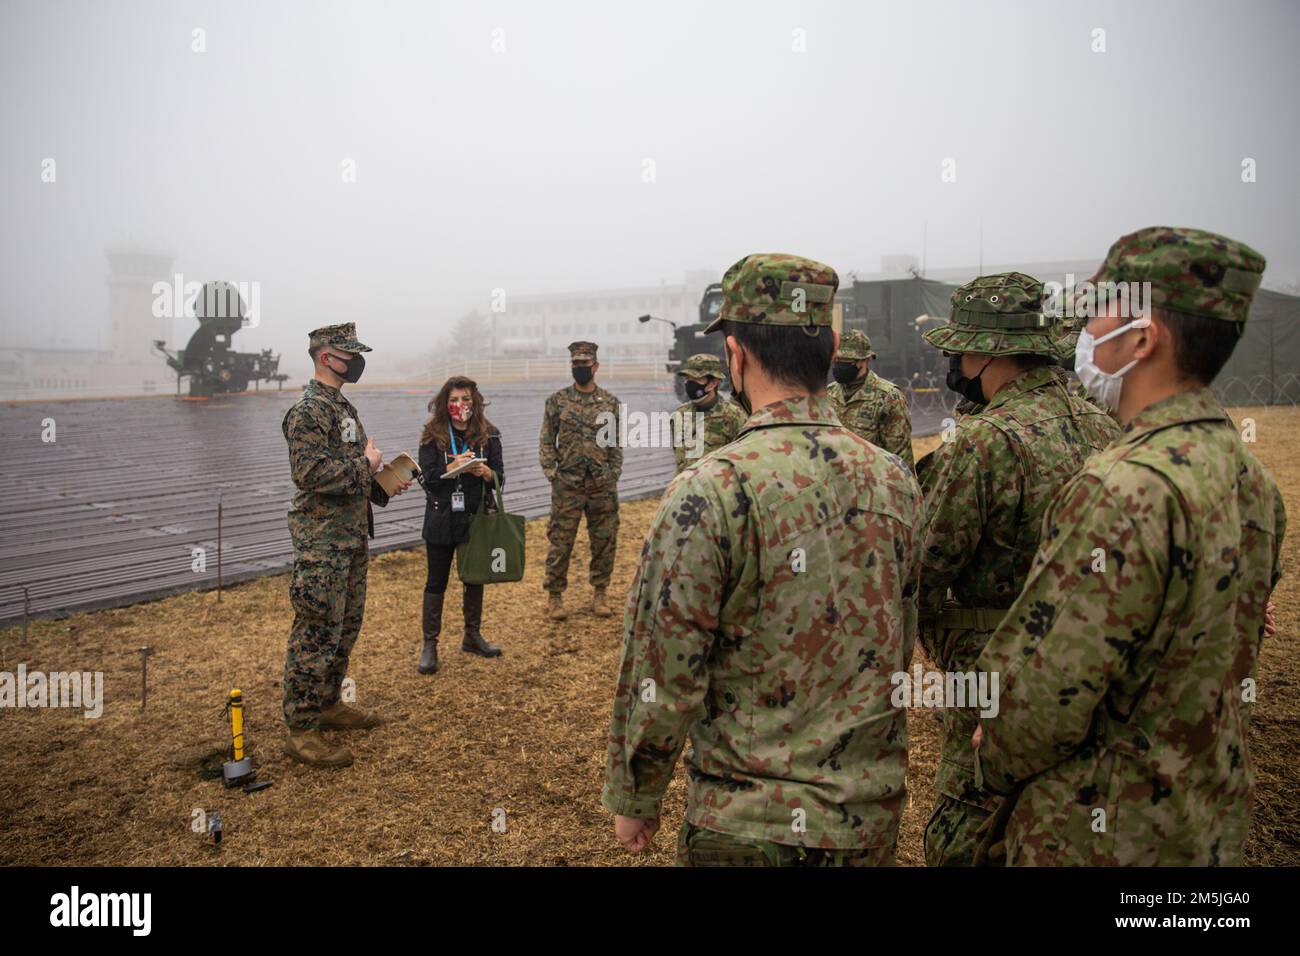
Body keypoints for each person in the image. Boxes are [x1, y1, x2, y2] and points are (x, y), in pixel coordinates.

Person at [973, 227, 1286, 866]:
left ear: (1143, 337)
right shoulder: (1250, 478)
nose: (1084, 333)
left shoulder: (1122, 487)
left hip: (1102, 832)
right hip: (1200, 822)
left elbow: (1042, 700)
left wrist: (990, 741)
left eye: (1097, 314)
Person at [602, 253, 923, 866]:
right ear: (831, 348)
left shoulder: (711, 489)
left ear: (736, 357)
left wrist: (636, 793)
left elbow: (664, 662)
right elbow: (898, 639)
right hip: (865, 823)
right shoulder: (895, 483)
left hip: (747, 826)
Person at [915, 273, 1120, 866]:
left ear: (985, 353)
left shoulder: (984, 443)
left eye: (957, 349)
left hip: (993, 669)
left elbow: (924, 570)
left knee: (972, 826)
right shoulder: (1104, 427)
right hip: (1089, 665)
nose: (953, 362)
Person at [281, 322, 410, 769]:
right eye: (348, 353)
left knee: (344, 627)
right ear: (324, 356)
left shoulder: (342, 406)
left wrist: (382, 482)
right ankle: (300, 729)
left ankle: (329, 704)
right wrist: (364, 464)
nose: (356, 361)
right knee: (316, 631)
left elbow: (351, 471)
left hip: (350, 537)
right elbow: (311, 474)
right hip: (322, 544)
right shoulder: (307, 411)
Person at [416, 376, 506, 673]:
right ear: (445, 403)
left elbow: (500, 478)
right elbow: (427, 476)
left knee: (474, 576)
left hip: (474, 517)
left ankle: (472, 635)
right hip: (441, 517)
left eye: (465, 399)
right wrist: (451, 467)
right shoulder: (432, 435)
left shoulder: (489, 435)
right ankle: (430, 645)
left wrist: (485, 472)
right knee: (436, 581)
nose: (460, 405)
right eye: (454, 400)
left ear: (475, 402)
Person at [539, 341, 623, 621]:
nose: (580, 369)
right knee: (561, 541)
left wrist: (612, 476)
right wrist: (553, 473)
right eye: (576, 364)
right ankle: (555, 597)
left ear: (595, 366)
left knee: (604, 541)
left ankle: (600, 593)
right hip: (569, 485)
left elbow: (615, 444)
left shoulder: (610, 402)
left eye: (585, 365)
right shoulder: (557, 401)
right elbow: (546, 441)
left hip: (601, 485)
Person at [826, 329, 914, 468]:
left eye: (846, 360)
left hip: (871, 484)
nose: (839, 364)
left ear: (864, 360)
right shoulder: (829, 394)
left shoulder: (888, 397)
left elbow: (900, 460)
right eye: (837, 359)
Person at [670, 353, 746, 473]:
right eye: (688, 379)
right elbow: (679, 459)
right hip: (685, 488)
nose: (689, 384)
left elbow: (742, 463)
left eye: (696, 379)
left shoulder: (734, 416)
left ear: (713, 383)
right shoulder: (680, 415)